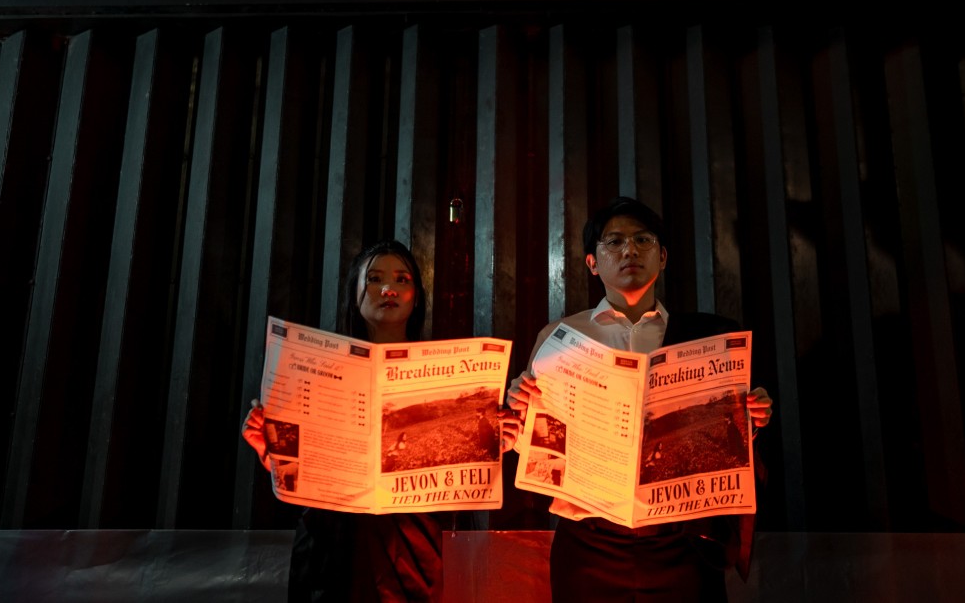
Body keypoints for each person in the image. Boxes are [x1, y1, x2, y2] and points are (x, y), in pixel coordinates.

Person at [506, 197, 774, 602]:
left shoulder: (706, 337)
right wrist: (519, 414)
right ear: (592, 263)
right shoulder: (560, 337)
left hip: (679, 538)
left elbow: (725, 440)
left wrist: (750, 420)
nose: (629, 249)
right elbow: (532, 444)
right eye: (614, 241)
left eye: (642, 239)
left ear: (662, 257)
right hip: (588, 538)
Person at [243, 239, 521, 603]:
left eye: (402, 279)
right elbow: (297, 471)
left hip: (411, 550)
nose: (388, 288)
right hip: (330, 549)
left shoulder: (450, 376)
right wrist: (273, 453)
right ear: (354, 292)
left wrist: (495, 441)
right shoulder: (314, 370)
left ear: (416, 298)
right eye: (374, 279)